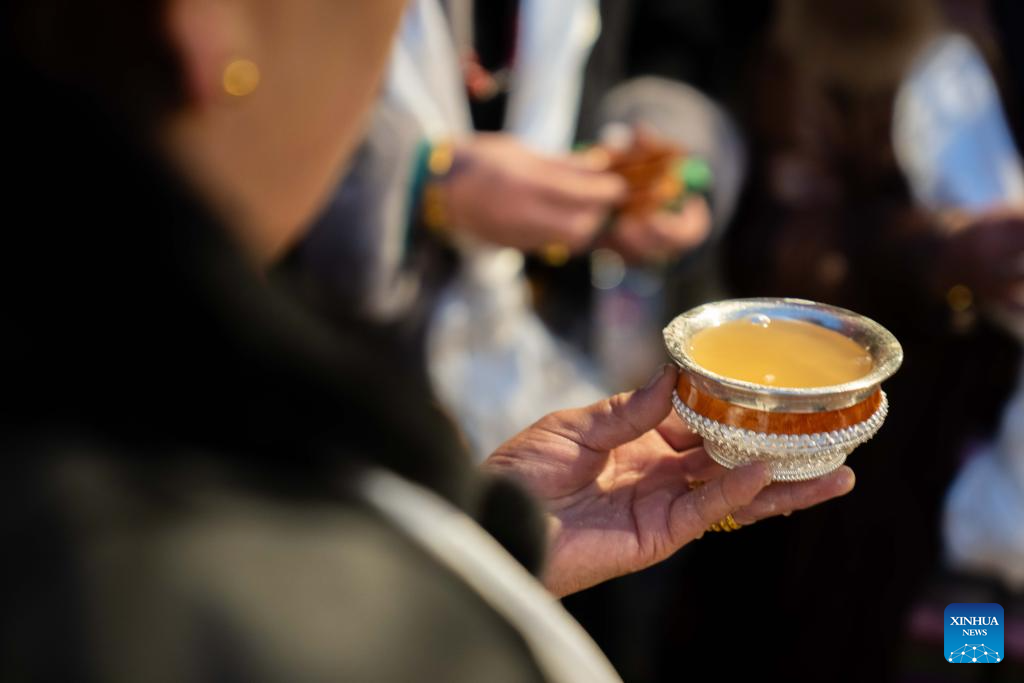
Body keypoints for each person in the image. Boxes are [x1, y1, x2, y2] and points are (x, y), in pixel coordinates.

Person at [1, 0, 854, 680]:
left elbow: (675, 45)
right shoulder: (156, 552)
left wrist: (488, 543)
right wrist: (414, 186)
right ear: (204, 29)